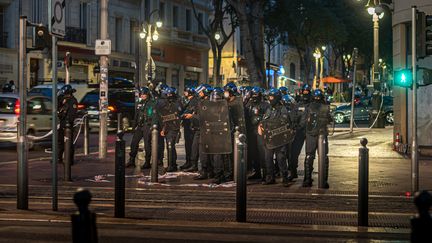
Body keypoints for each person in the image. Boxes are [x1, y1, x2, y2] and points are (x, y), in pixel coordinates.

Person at [258, 88, 291, 186]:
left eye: (271, 97)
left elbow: (283, 122)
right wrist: (261, 125)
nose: (270, 99)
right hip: (269, 138)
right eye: (269, 97)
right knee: (268, 158)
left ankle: (285, 178)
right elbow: (264, 120)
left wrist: (268, 124)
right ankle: (270, 177)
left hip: (280, 138)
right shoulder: (269, 109)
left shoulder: (283, 109)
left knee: (281, 158)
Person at [302, 89, 332, 188]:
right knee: (323, 156)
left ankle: (307, 179)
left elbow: (303, 121)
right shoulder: (326, 107)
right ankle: (323, 180)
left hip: (311, 134)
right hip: (322, 134)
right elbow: (330, 119)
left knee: (309, 156)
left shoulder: (308, 107)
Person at [126, 87, 156, 169]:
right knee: (134, 143)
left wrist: (152, 126)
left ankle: (147, 162)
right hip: (140, 126)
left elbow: (154, 116)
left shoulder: (151, 103)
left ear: (147, 94)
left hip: (147, 125)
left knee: (147, 145)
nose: (142, 96)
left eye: (144, 94)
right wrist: (133, 127)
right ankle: (131, 160)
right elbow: (136, 116)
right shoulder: (139, 103)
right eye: (141, 94)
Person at [287, 84, 311, 182]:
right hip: (299, 131)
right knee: (293, 152)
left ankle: (308, 176)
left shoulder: (313, 104)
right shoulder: (298, 104)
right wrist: (293, 125)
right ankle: (293, 172)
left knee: (309, 154)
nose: (305, 93)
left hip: (310, 131)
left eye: (307, 91)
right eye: (303, 91)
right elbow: (293, 116)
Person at [244, 86, 269, 180]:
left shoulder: (265, 105)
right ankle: (257, 172)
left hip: (260, 131)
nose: (254, 97)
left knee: (262, 153)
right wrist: (246, 99)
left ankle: (265, 173)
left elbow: (268, 116)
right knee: (253, 152)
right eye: (253, 95)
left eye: (256, 95)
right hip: (251, 131)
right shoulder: (249, 104)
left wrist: (261, 121)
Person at [156, 87, 183, 172]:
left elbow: (175, 115)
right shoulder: (167, 103)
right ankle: (172, 164)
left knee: (170, 146)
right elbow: (163, 117)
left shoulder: (176, 103)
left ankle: (172, 165)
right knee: (170, 147)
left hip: (173, 128)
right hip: (168, 128)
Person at [58, 84, 78, 164]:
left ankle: (70, 160)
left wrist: (68, 123)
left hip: (68, 125)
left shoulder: (72, 101)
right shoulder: (64, 100)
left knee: (69, 143)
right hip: (62, 124)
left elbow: (72, 114)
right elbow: (58, 105)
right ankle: (59, 158)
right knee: (61, 142)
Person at [179, 86, 196, 170]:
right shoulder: (188, 100)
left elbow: (189, 111)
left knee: (191, 146)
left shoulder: (194, 101)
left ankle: (192, 163)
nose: (184, 93)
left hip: (191, 126)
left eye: (185, 91)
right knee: (188, 145)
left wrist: (182, 115)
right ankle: (188, 162)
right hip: (187, 125)